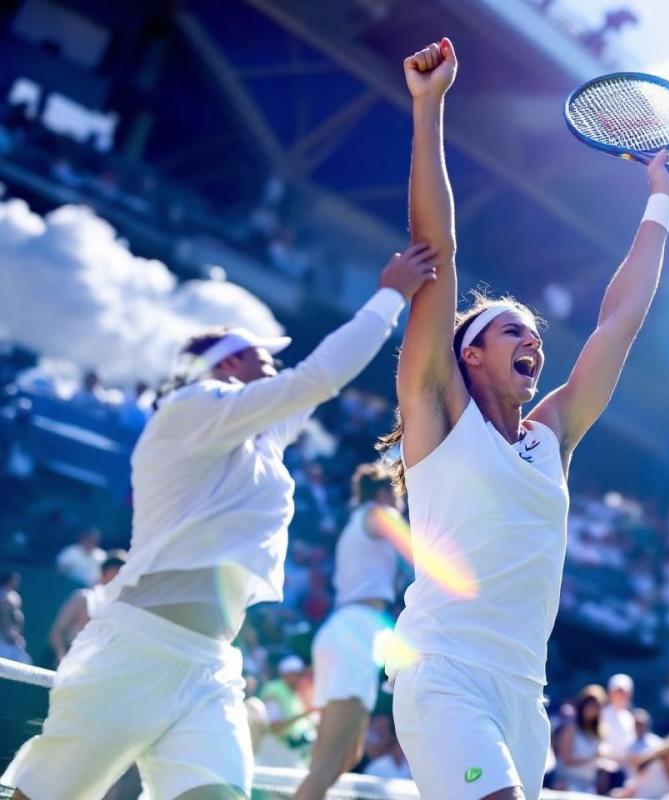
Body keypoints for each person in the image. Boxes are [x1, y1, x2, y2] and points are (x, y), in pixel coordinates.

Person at [1, 248, 434, 800]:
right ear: (227, 366)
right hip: (135, 650)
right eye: (261, 356)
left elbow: (320, 384)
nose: (275, 363)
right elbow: (318, 378)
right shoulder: (190, 406)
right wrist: (391, 294)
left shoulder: (260, 438)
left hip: (210, 669)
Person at [386, 35, 669, 800]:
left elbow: (618, 321)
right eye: (507, 329)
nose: (530, 339)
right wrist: (429, 111)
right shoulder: (437, 413)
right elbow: (439, 252)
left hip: (525, 697)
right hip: (444, 675)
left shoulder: (552, 436)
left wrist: (661, 200)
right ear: (469, 355)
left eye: (534, 332)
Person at [294, 463, 406, 799]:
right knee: (328, 764)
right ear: (386, 493)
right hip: (355, 634)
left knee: (346, 756)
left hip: (345, 631)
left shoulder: (357, 522)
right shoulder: (380, 513)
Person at [48, 552, 126, 664]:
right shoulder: (82, 598)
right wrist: (62, 658)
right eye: (113, 577)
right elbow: (56, 633)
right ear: (103, 575)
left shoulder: (119, 610)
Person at [258, 655, 317, 769]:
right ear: (287, 674)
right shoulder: (273, 691)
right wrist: (304, 714)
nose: (301, 678)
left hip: (293, 756)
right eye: (297, 674)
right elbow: (275, 727)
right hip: (277, 757)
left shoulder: (295, 693)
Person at [555, 684, 607, 792]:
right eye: (590, 705)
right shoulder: (571, 728)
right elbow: (566, 759)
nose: (593, 710)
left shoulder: (599, 732)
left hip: (589, 786)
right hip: (568, 784)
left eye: (596, 706)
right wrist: (591, 758)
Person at [603, 673, 638, 777]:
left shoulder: (629, 717)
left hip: (626, 769)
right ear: (610, 693)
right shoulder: (602, 714)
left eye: (624, 692)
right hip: (607, 768)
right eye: (618, 691)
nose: (621, 695)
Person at [0, 571, 30, 664]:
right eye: (14, 579)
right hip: (4, 636)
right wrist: (9, 632)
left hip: (13, 636)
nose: (16, 582)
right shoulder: (2, 594)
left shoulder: (14, 595)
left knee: (25, 663)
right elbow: (4, 615)